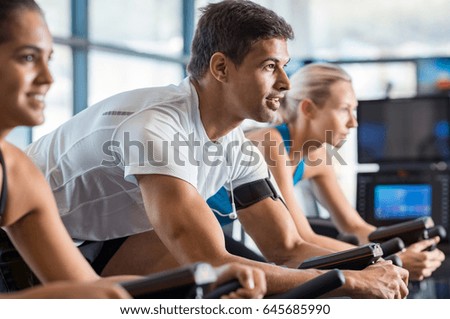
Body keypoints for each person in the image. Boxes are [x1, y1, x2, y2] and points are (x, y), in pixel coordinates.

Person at [26, 0, 408, 298]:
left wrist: (374, 269)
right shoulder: (156, 128)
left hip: (98, 237)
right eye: (270, 66)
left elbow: (286, 246)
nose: (286, 84)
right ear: (221, 68)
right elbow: (212, 262)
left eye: (285, 66)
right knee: (223, 282)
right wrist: (354, 284)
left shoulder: (233, 145)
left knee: (247, 287)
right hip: (19, 240)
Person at [0, 0, 266, 299]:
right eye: (26, 58)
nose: (48, 78)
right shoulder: (153, 123)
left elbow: (86, 286)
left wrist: (200, 280)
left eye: (48, 59)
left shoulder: (19, 172)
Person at [243, 62, 445, 281]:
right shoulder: (270, 143)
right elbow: (300, 238)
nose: (353, 122)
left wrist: (404, 246)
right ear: (308, 108)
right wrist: (389, 261)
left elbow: (354, 226)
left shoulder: (318, 156)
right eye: (344, 109)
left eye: (354, 110)